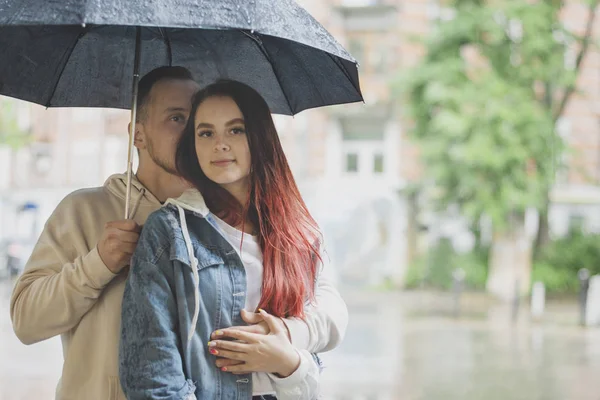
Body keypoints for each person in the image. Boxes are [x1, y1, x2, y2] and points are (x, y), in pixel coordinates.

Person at [9, 68, 347, 399]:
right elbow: (27, 322)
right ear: (137, 134)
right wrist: (98, 264)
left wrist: (288, 341)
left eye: (196, 119)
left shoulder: (218, 216)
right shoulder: (84, 210)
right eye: (177, 118)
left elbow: (327, 307)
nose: (198, 134)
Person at [119, 80, 344, 400]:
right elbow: (151, 373)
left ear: (259, 138)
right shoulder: (171, 230)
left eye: (235, 130)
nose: (219, 144)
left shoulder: (298, 231)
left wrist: (285, 348)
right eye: (206, 133)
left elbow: (333, 315)